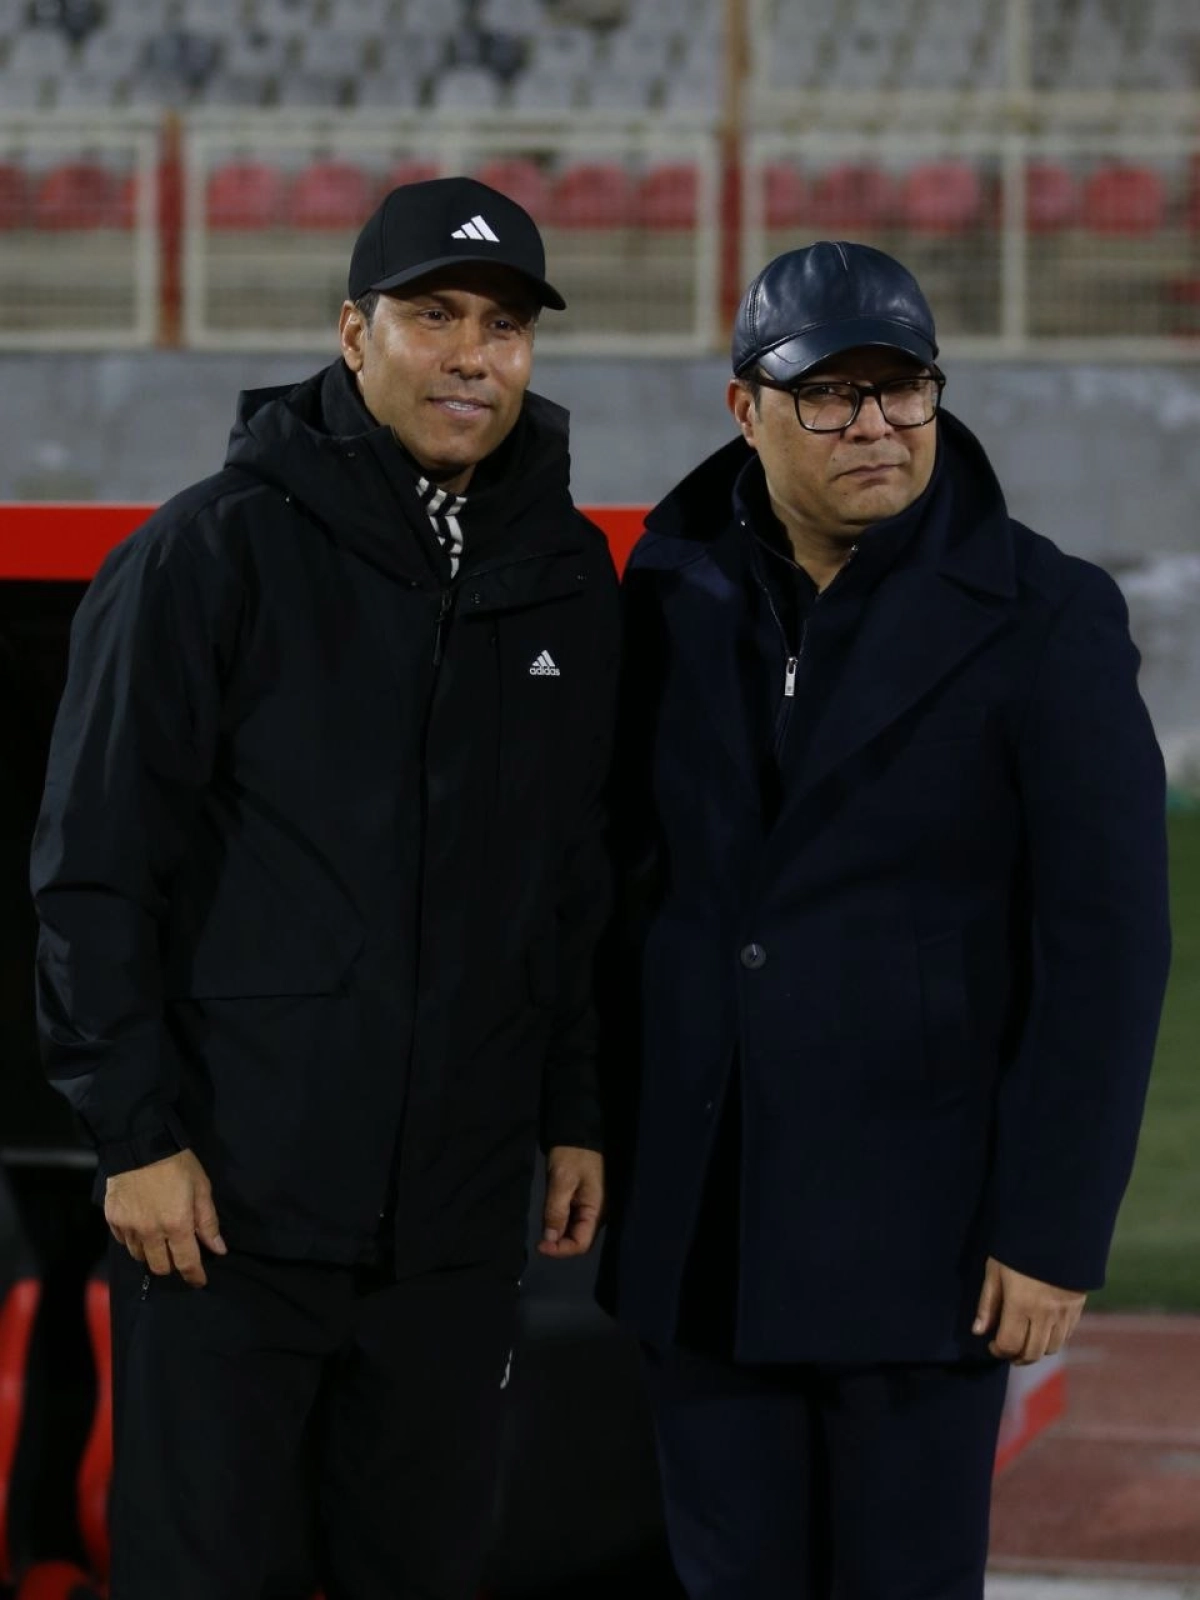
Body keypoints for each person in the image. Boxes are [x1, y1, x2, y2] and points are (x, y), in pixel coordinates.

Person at [30, 175, 619, 1600]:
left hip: (452, 1235)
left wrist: (575, 1109)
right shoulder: (204, 553)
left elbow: (569, 878)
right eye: (434, 315)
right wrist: (134, 1139)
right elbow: (94, 872)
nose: (471, 355)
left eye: (503, 326)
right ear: (355, 334)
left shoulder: (568, 581)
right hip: (225, 1218)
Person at [600, 241, 1171, 1598]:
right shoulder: (665, 589)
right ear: (746, 410)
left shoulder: (1049, 615)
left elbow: (1107, 949)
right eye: (829, 395)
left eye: (902, 388)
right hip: (703, 1227)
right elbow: (620, 885)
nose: (875, 425)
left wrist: (1052, 1225)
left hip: (923, 1244)